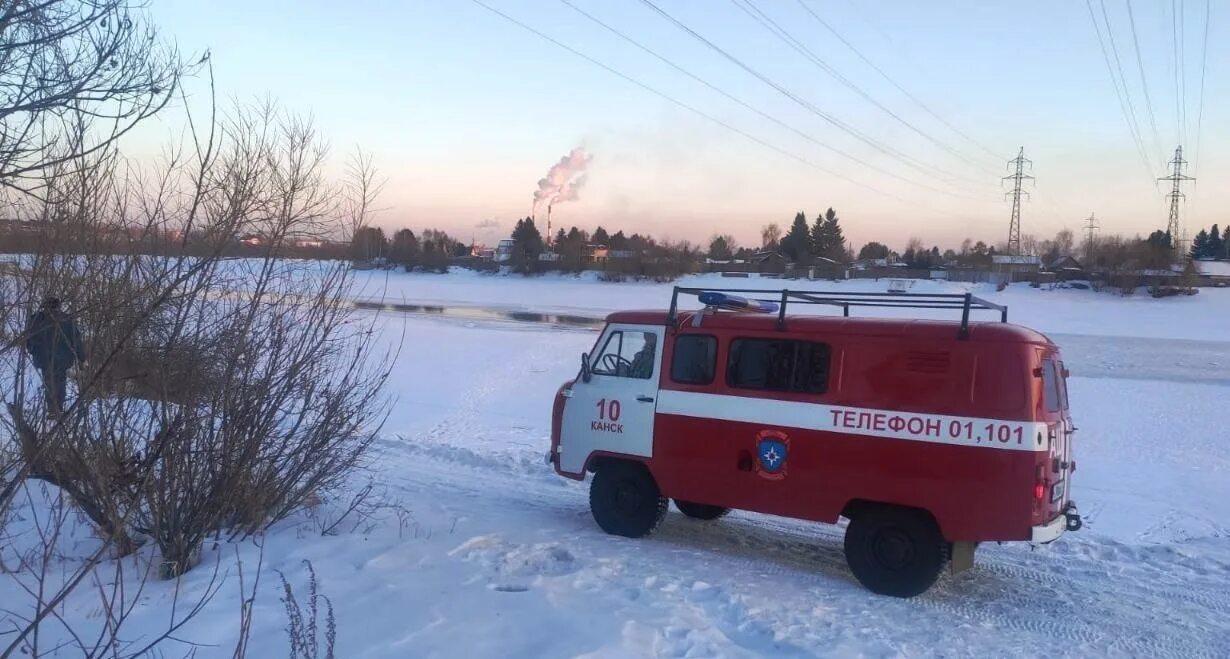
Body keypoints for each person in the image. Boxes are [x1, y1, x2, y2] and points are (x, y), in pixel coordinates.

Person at [24, 297, 86, 418]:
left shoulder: (36, 319)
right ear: (58, 306)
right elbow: (76, 340)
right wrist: (81, 357)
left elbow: (30, 338)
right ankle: (58, 408)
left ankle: (52, 409)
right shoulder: (67, 319)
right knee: (60, 381)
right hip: (63, 358)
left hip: (44, 358)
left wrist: (32, 350)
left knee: (48, 381)